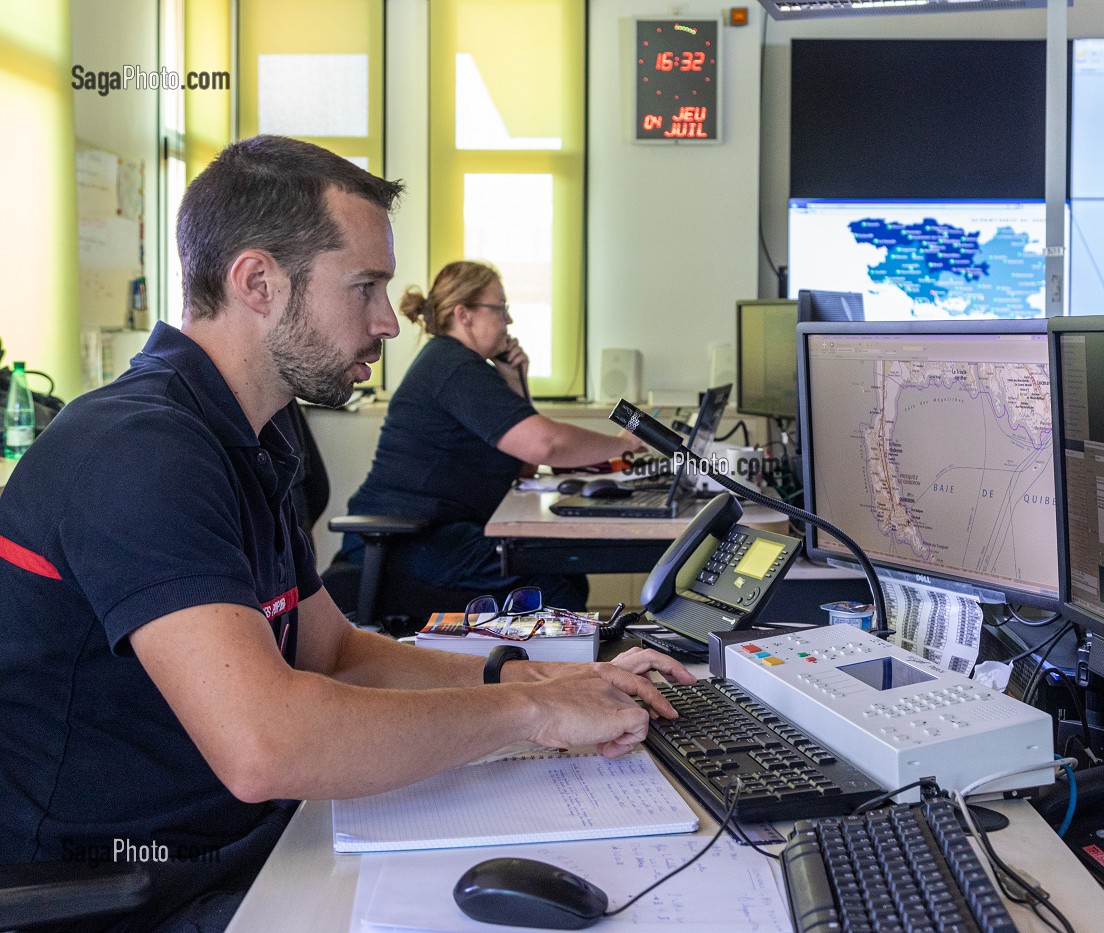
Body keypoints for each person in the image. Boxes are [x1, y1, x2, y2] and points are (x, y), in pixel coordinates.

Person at [0, 135, 694, 933]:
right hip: (130, 891)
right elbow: (266, 744)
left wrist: (535, 681)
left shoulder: (260, 432)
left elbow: (335, 652)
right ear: (257, 281)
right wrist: (533, 718)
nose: (388, 322)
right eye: (364, 286)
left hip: (242, 841)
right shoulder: (139, 448)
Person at [341, 261, 644, 610]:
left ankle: (550, 664)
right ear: (464, 315)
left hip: (436, 534)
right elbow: (545, 444)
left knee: (565, 575)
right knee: (552, 585)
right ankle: (545, 666)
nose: (509, 321)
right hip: (408, 540)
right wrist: (623, 444)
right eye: (500, 309)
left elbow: (526, 466)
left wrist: (515, 382)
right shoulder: (452, 366)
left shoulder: (467, 368)